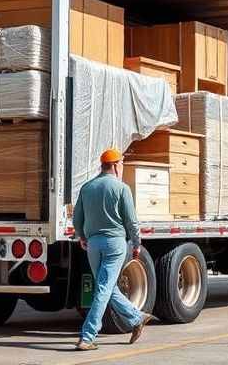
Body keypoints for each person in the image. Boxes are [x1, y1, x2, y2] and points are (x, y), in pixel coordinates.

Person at [73, 148, 153, 351]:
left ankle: (136, 318)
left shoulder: (87, 187)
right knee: (104, 288)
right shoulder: (121, 188)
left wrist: (82, 236)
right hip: (115, 244)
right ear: (116, 165)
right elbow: (132, 221)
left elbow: (77, 219)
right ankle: (88, 336)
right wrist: (137, 243)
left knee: (106, 287)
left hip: (93, 244)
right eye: (122, 164)